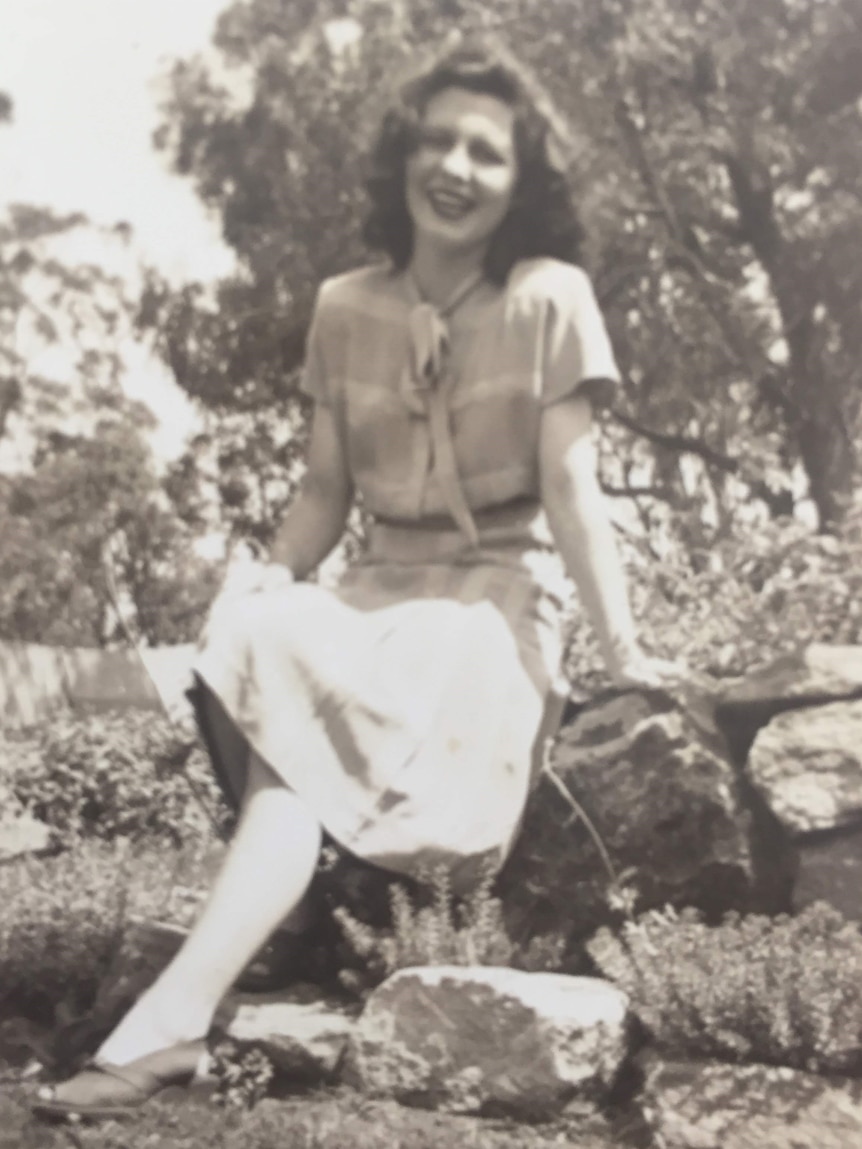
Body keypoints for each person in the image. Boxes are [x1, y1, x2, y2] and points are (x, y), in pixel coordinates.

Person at [34, 38, 678, 1120]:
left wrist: (624, 653)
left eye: (487, 152)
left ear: (519, 184)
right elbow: (324, 498)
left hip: (491, 602)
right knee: (263, 628)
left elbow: (572, 492)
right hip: (376, 587)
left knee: (359, 695)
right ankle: (187, 1014)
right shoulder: (343, 307)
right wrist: (265, 579)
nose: (458, 169)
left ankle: (174, 1018)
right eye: (439, 141)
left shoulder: (548, 298)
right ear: (401, 158)